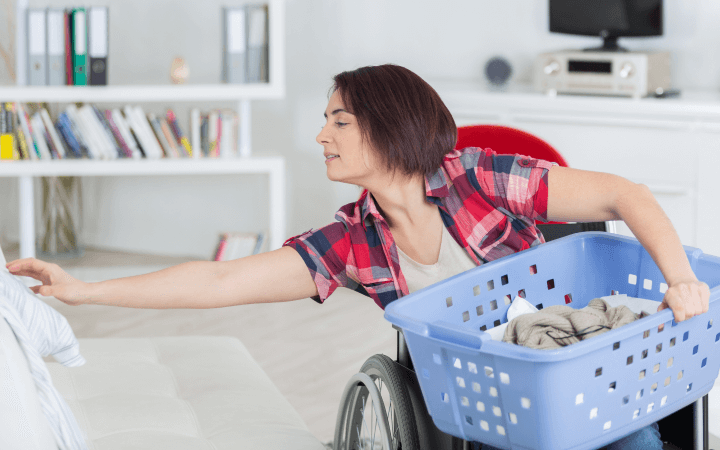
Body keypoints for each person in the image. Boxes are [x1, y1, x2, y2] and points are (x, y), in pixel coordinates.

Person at [6, 64, 709, 450]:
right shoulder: (351, 242)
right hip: (477, 400)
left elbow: (625, 195)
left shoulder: (480, 178)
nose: (321, 135)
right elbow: (219, 280)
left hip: (559, 376)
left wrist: (680, 281)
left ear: (390, 126)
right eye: (327, 120)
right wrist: (85, 290)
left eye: (339, 119)